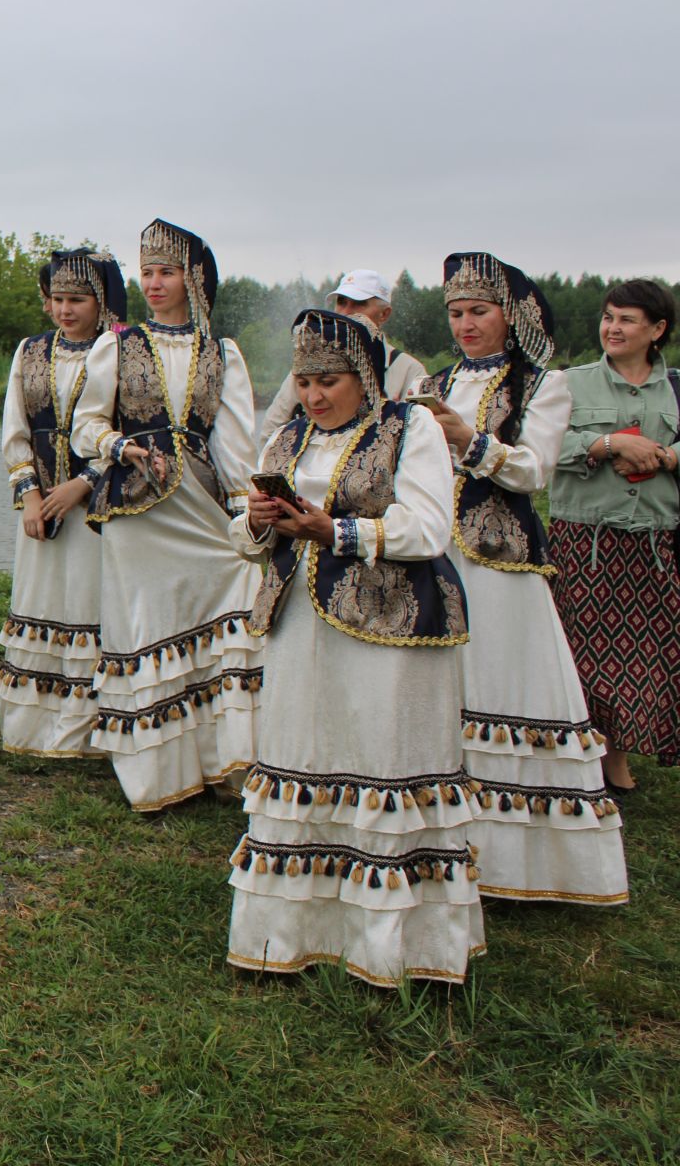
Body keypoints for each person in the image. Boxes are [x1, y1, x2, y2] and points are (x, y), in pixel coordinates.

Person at [227, 308, 483, 986]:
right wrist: (256, 522)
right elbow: (248, 538)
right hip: (301, 631)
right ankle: (290, 936)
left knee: (379, 758)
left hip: (392, 629)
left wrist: (332, 530)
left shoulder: (409, 426)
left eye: (329, 380)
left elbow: (427, 526)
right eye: (304, 379)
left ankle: (394, 947)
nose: (314, 394)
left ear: (364, 376)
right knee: (308, 754)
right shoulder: (287, 437)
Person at [421, 251, 628, 905]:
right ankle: (442, 844)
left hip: (501, 559)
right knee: (442, 693)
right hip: (437, 555)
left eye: (478, 311)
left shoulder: (544, 384)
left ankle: (522, 863)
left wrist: (470, 441)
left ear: (507, 317)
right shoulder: (436, 380)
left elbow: (535, 471)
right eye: (456, 313)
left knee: (507, 687)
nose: (466, 324)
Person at [69, 219, 264, 811]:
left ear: (194, 279)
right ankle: (155, 770)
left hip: (201, 504)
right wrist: (118, 448)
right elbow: (86, 426)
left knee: (234, 596)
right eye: (146, 272)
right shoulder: (117, 345)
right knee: (147, 622)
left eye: (166, 272)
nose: (153, 283)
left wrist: (246, 510)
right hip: (137, 505)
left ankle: (218, 756)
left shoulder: (222, 351)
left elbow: (235, 441)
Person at [548, 279, 680, 789]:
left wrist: (665, 456)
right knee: (580, 653)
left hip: (653, 541)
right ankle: (585, 758)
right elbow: (541, 451)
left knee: (647, 655)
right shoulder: (567, 384)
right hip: (585, 543)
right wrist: (608, 444)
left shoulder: (677, 388)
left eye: (626, 319)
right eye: (608, 317)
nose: (613, 327)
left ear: (657, 329)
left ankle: (616, 758)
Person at [0, 248, 125, 758]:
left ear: (101, 302)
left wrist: (84, 483)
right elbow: (15, 428)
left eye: (77, 299)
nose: (65, 309)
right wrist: (29, 495)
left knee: (91, 602)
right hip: (42, 502)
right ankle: (36, 727)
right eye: (57, 299)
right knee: (43, 598)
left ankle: (92, 728)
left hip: (100, 504)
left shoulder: (120, 349)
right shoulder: (29, 351)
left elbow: (129, 431)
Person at [258, 269, 424, 443]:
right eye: (341, 302)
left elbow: (419, 439)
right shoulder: (310, 366)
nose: (345, 312)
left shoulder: (410, 370)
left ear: (384, 313)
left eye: (358, 304)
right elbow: (270, 433)